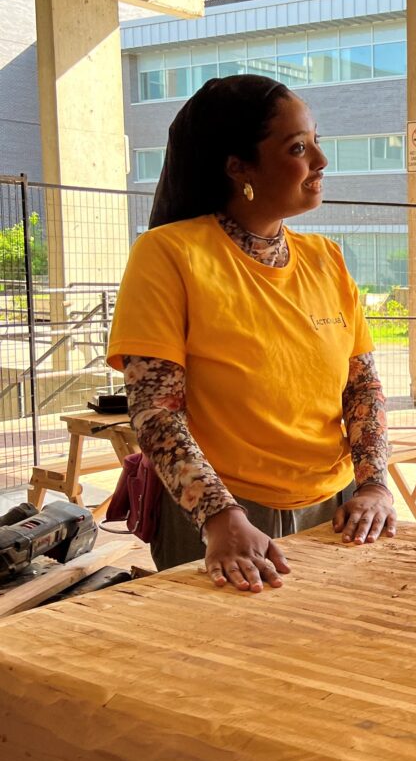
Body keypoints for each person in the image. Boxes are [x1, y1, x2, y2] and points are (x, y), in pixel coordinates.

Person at [107, 75, 396, 592]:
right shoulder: (169, 254)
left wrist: (374, 485)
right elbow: (156, 412)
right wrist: (220, 517)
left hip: (338, 510)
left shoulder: (326, 259)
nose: (321, 161)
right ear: (238, 167)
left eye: (317, 141)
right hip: (223, 519)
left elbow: (362, 387)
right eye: (298, 148)